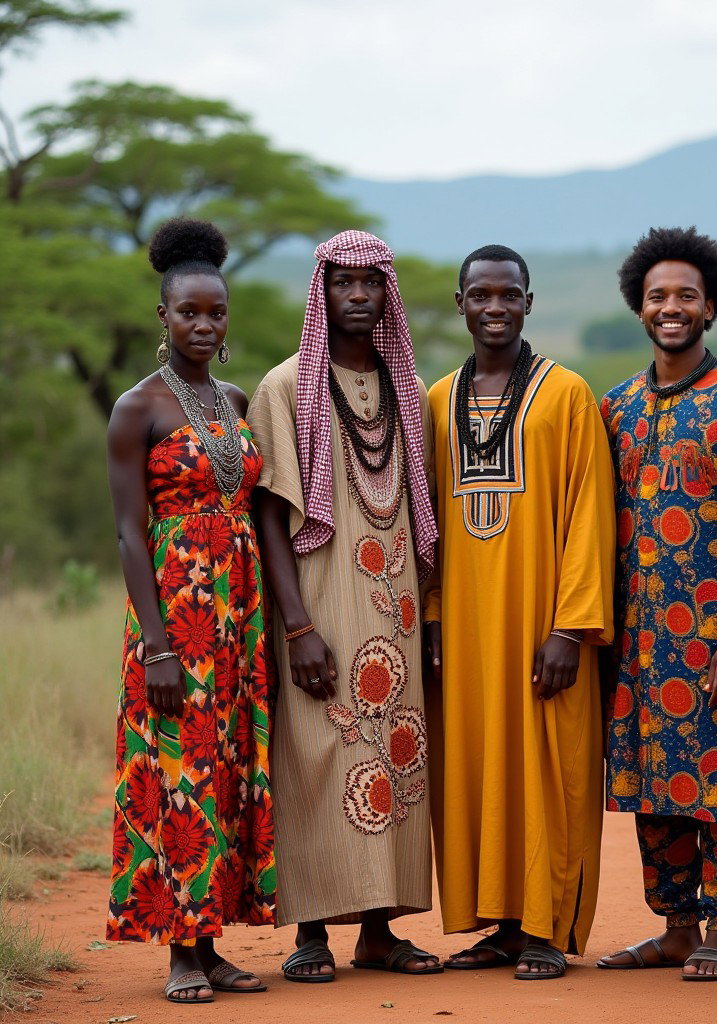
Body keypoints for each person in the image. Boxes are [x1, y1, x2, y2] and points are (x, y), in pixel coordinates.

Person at [248, 230, 441, 982]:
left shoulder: (406, 390)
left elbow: (422, 511)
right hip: (320, 602)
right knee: (316, 755)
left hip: (393, 603)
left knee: (394, 758)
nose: (357, 295)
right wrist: (297, 626)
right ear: (320, 293)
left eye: (370, 283)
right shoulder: (286, 386)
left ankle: (379, 930)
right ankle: (309, 934)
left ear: (386, 292)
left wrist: (428, 615)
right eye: (342, 283)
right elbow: (270, 514)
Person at [424, 244, 615, 980]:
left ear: (529, 303)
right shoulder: (437, 401)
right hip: (468, 632)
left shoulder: (567, 395)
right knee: (478, 770)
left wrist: (571, 627)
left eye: (509, 294)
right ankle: (501, 925)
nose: (495, 306)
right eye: (481, 294)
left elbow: (589, 517)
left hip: (545, 626)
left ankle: (545, 927)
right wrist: (434, 618)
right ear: (461, 303)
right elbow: (427, 528)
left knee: (548, 767)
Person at [596, 227, 717, 981]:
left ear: (711, 307)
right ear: (640, 308)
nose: (671, 308)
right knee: (652, 781)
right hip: (637, 638)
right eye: (657, 297)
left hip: (715, 634)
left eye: (685, 297)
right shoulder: (615, 407)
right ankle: (675, 926)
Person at [106, 219, 275, 1003]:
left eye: (216, 314)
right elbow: (128, 534)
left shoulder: (234, 399)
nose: (204, 326)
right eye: (188, 314)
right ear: (162, 317)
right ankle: (179, 948)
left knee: (226, 770)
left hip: (238, 612)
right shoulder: (136, 409)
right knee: (180, 773)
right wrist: (160, 648)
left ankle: (212, 947)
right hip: (176, 616)